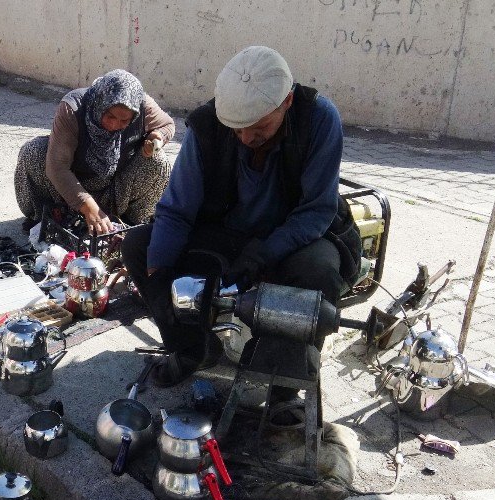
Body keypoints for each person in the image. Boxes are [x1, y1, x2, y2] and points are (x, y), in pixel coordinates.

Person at [122, 46, 362, 391]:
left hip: (295, 235)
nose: (247, 138)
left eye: (259, 125)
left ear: (287, 103)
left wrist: (264, 253)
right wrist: (159, 273)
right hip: (226, 231)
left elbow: (317, 210)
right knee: (140, 246)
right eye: (237, 129)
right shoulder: (208, 124)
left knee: (318, 271)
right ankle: (192, 350)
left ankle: (284, 384)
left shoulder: (319, 119)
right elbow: (177, 209)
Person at [14, 69, 176, 235]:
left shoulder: (142, 106)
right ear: (100, 103)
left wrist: (157, 137)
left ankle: (126, 226)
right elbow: (57, 167)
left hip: (114, 190)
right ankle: (45, 219)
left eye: (124, 120)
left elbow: (167, 125)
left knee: (159, 161)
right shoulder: (73, 108)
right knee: (34, 150)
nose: (114, 125)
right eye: (110, 116)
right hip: (67, 190)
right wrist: (86, 205)